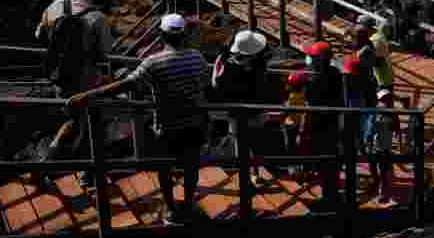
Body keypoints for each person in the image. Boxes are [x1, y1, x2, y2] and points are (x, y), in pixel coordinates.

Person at [67, 13, 211, 225]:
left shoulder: (153, 62)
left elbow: (127, 84)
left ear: (161, 36)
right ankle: (188, 205)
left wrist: (88, 95)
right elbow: (205, 85)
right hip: (194, 124)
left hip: (167, 127)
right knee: (191, 167)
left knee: (164, 169)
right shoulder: (197, 58)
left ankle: (171, 209)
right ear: (184, 36)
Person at [33, 0, 111, 189]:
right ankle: (46, 168)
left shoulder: (57, 5)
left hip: (59, 77)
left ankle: (87, 174)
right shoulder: (97, 18)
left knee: (81, 123)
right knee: (85, 124)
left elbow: (39, 35)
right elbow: (104, 53)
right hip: (86, 84)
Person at [211, 29, 270, 184]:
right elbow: (262, 85)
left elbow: (218, 85)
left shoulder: (228, 65)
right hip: (256, 110)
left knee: (241, 143)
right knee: (256, 143)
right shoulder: (260, 64)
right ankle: (254, 173)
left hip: (236, 111)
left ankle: (246, 177)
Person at [300, 41, 343, 206]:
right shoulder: (336, 73)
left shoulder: (313, 79)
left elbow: (309, 105)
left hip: (318, 123)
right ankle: (331, 192)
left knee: (323, 159)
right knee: (331, 158)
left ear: (319, 59)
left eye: (312, 57)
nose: (310, 59)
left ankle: (328, 196)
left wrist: (303, 129)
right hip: (333, 120)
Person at [369, 89, 399, 204]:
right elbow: (369, 129)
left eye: (389, 98)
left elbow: (397, 128)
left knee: (383, 171)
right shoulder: (374, 111)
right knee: (375, 169)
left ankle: (383, 193)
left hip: (384, 147)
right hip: (373, 146)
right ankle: (377, 186)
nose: (387, 101)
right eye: (384, 99)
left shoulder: (392, 113)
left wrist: (399, 144)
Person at [351, 25, 378, 152]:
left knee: (367, 115)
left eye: (354, 37)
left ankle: (367, 142)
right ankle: (364, 142)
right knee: (365, 115)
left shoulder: (365, 49)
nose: (352, 39)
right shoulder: (366, 46)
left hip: (366, 85)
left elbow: (360, 64)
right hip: (366, 83)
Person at [282, 71, 308, 177]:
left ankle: (292, 169)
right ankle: (300, 168)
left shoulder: (292, 96)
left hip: (290, 124)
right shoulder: (304, 95)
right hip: (300, 124)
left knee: (290, 147)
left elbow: (287, 111)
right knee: (299, 148)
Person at [369, 17, 395, 92]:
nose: (389, 31)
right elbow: (377, 59)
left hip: (384, 73)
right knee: (385, 94)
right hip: (383, 75)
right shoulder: (377, 39)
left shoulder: (379, 37)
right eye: (388, 29)